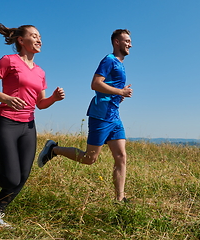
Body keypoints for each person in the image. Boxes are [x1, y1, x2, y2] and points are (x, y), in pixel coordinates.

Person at [0, 23, 65, 227]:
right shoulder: (9, 61)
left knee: (22, 177)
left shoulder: (40, 72)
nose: (39, 39)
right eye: (34, 36)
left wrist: (53, 98)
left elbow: (40, 104)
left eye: (40, 36)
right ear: (21, 40)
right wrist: (6, 98)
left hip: (28, 127)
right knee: (11, 179)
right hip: (6, 123)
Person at [38, 29, 132, 202]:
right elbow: (95, 84)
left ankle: (120, 199)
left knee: (121, 156)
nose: (130, 44)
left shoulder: (121, 64)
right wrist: (121, 91)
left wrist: (119, 96)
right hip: (101, 115)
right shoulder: (109, 60)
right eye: (126, 41)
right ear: (116, 42)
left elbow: (108, 89)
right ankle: (54, 149)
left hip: (114, 116)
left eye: (130, 41)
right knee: (90, 159)